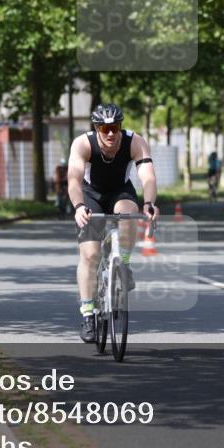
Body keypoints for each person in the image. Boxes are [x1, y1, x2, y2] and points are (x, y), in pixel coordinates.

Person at [68, 104, 159, 342]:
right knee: (90, 254)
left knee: (129, 214)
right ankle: (88, 312)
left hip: (120, 192)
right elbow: (74, 180)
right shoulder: (83, 143)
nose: (111, 133)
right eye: (106, 128)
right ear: (97, 128)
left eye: (115, 128)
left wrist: (149, 203)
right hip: (90, 195)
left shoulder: (135, 142)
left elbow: (147, 175)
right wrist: (78, 207)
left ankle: (123, 265)